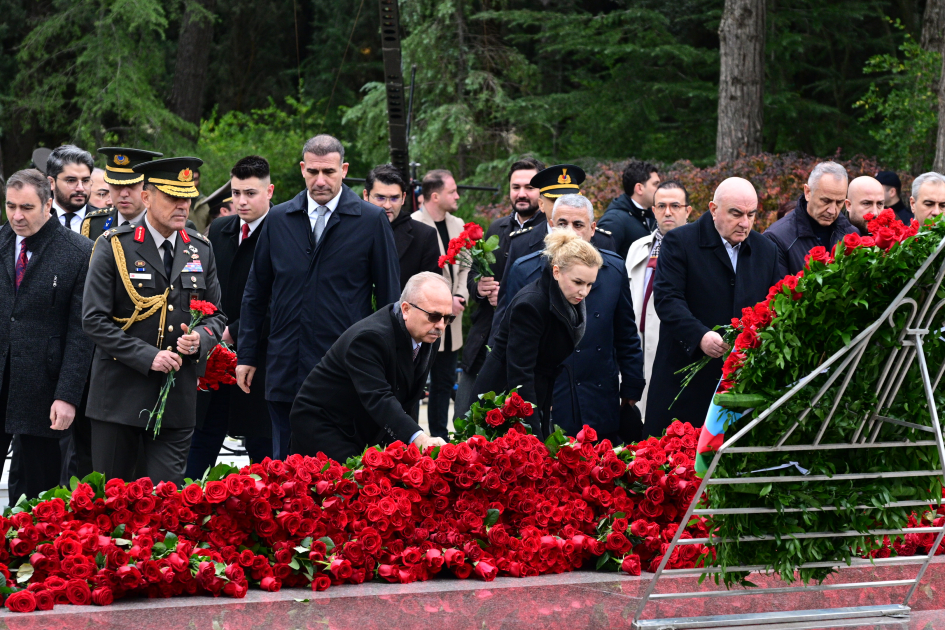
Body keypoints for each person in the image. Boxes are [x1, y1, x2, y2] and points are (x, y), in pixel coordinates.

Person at [237, 134, 400, 460]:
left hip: (342, 370)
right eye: (313, 171)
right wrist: (247, 355)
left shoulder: (370, 221)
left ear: (344, 169)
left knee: (334, 475)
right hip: (285, 366)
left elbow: (389, 301)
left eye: (329, 171)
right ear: (302, 169)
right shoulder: (278, 219)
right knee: (284, 471)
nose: (320, 180)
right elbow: (256, 293)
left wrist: (387, 367)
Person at [82, 157, 226, 484]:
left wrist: (200, 339)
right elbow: (94, 320)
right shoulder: (114, 246)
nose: (182, 205)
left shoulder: (200, 250)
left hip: (176, 400)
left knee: (166, 504)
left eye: (187, 197)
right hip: (119, 398)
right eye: (172, 197)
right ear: (147, 198)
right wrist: (149, 356)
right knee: (114, 505)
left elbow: (215, 315)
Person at [499, 195, 644, 442]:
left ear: (592, 229)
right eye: (562, 223)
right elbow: (504, 339)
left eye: (578, 225)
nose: (571, 232)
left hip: (598, 393)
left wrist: (631, 386)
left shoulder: (614, 269)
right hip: (549, 395)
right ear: (551, 226)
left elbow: (626, 333)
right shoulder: (525, 270)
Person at [646, 177, 780, 436]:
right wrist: (700, 336)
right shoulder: (679, 242)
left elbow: (773, 307)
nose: (745, 223)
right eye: (736, 213)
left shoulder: (766, 250)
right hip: (684, 383)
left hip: (740, 387)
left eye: (751, 214)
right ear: (713, 209)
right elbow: (667, 299)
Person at [0, 170, 94, 499]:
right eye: (10, 206)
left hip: (43, 388)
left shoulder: (79, 252)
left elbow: (82, 333)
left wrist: (67, 395)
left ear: (48, 203)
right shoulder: (1, 241)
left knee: (36, 490)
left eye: (26, 207)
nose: (16, 216)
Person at [289, 272, 450, 462]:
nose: (440, 325)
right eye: (433, 316)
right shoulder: (369, 338)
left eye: (448, 318)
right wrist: (418, 438)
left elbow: (408, 398)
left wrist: (412, 451)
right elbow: (379, 397)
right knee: (352, 488)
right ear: (406, 309)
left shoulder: (428, 336)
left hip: (362, 427)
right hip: (324, 427)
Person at [185, 156, 274, 479]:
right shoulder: (222, 228)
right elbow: (207, 285)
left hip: (260, 355)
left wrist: (233, 332)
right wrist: (210, 329)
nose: (241, 201)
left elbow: (282, 298)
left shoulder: (285, 230)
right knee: (202, 439)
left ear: (269, 191)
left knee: (262, 448)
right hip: (214, 353)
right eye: (236, 193)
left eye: (250, 193)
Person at [474, 230, 603, 440]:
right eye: (578, 282)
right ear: (556, 272)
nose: (584, 292)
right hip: (502, 398)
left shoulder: (567, 300)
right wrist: (533, 434)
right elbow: (520, 373)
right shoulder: (531, 305)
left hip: (535, 391)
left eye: (590, 284)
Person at [457, 157, 545, 420]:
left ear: (543, 191)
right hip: (484, 337)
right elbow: (474, 274)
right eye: (515, 186)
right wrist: (479, 287)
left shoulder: (549, 231)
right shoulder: (498, 227)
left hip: (522, 343)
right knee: (464, 416)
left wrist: (510, 297)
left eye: (529, 187)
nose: (521, 193)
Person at [412, 170, 470, 440]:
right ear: (435, 196)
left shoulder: (458, 224)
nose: (457, 195)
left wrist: (459, 297)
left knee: (445, 382)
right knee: (415, 381)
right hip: (424, 319)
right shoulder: (413, 224)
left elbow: (466, 268)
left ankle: (440, 436)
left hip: (452, 322)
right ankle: (412, 436)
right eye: (452, 191)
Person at [626, 181, 692, 417]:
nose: (668, 212)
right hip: (635, 347)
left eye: (675, 205)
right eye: (661, 206)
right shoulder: (637, 248)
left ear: (688, 211)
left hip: (672, 351)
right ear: (652, 210)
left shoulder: (696, 251)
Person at [502, 165, 615, 280]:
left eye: (570, 199)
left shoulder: (603, 240)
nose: (564, 204)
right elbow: (510, 293)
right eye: (555, 200)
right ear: (541, 204)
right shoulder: (521, 243)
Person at [764, 161, 858, 277]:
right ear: (807, 192)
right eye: (825, 201)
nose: (832, 210)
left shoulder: (851, 234)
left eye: (839, 202)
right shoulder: (776, 238)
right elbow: (779, 292)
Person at [363, 164, 440, 291]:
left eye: (394, 198)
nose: (387, 205)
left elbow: (431, 292)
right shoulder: (349, 230)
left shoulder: (424, 236)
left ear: (403, 198)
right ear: (366, 196)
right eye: (380, 198)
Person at [81, 147, 164, 238]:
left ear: (148, 187)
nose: (124, 194)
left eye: (132, 185)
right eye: (117, 185)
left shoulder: (164, 226)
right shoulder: (94, 224)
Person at [597, 160, 660, 259]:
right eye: (655, 184)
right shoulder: (614, 221)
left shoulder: (653, 215)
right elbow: (603, 263)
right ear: (639, 188)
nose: (660, 189)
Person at [46, 145, 94, 235]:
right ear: (51, 183)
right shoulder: (38, 219)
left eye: (85, 181)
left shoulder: (105, 222)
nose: (80, 188)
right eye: (71, 181)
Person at [188, 166, 212, 233]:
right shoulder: (179, 202)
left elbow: (210, 225)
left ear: (198, 180)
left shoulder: (206, 202)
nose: (192, 183)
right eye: (190, 180)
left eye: (195, 179)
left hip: (202, 241)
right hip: (181, 241)